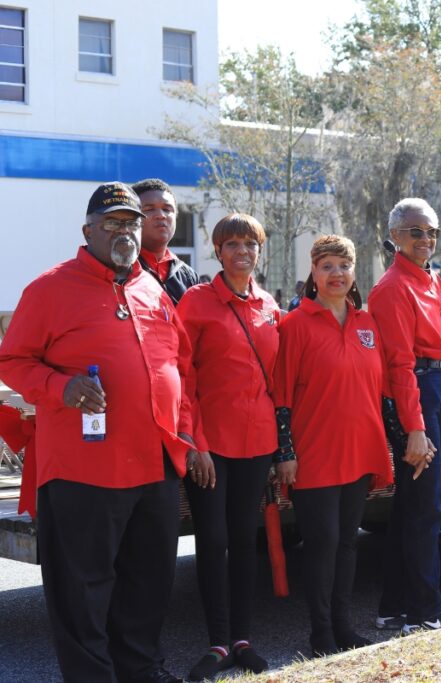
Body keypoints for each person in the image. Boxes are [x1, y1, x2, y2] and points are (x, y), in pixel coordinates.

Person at [0, 182, 195, 683]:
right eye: (112, 223)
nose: (124, 232)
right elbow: (12, 360)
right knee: (82, 590)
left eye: (130, 223)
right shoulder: (49, 289)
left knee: (148, 581)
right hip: (85, 470)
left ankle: (141, 670)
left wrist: (188, 437)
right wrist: (59, 387)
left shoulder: (151, 287)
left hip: (154, 464)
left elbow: (179, 365)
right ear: (88, 231)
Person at [274, 235, 394, 654]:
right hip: (315, 454)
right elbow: (281, 395)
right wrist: (286, 452)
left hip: (359, 450)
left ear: (354, 271)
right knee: (322, 542)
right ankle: (320, 631)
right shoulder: (294, 324)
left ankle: (343, 626)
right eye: (327, 266)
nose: (336, 274)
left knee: (347, 542)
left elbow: (379, 390)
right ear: (314, 273)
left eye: (344, 266)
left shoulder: (368, 325)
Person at [176, 214, 280, 680]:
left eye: (250, 243)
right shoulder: (196, 303)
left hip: (257, 443)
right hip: (209, 445)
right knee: (212, 541)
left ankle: (242, 639)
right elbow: (182, 378)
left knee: (243, 542)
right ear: (218, 252)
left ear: (260, 252)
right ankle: (217, 642)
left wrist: (282, 450)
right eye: (232, 243)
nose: (242, 251)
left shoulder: (268, 304)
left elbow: (277, 381)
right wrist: (194, 442)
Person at [369, 198, 441, 635]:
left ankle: (395, 606)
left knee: (411, 508)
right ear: (396, 236)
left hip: (436, 386)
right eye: (416, 231)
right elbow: (399, 365)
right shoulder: (393, 287)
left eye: (432, 232)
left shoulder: (431, 280)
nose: (426, 239)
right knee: (424, 509)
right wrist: (415, 429)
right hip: (414, 394)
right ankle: (423, 610)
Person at [131, 178, 200, 305]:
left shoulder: (188, 276)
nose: (161, 215)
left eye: (167, 209)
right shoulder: (120, 269)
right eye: (149, 209)